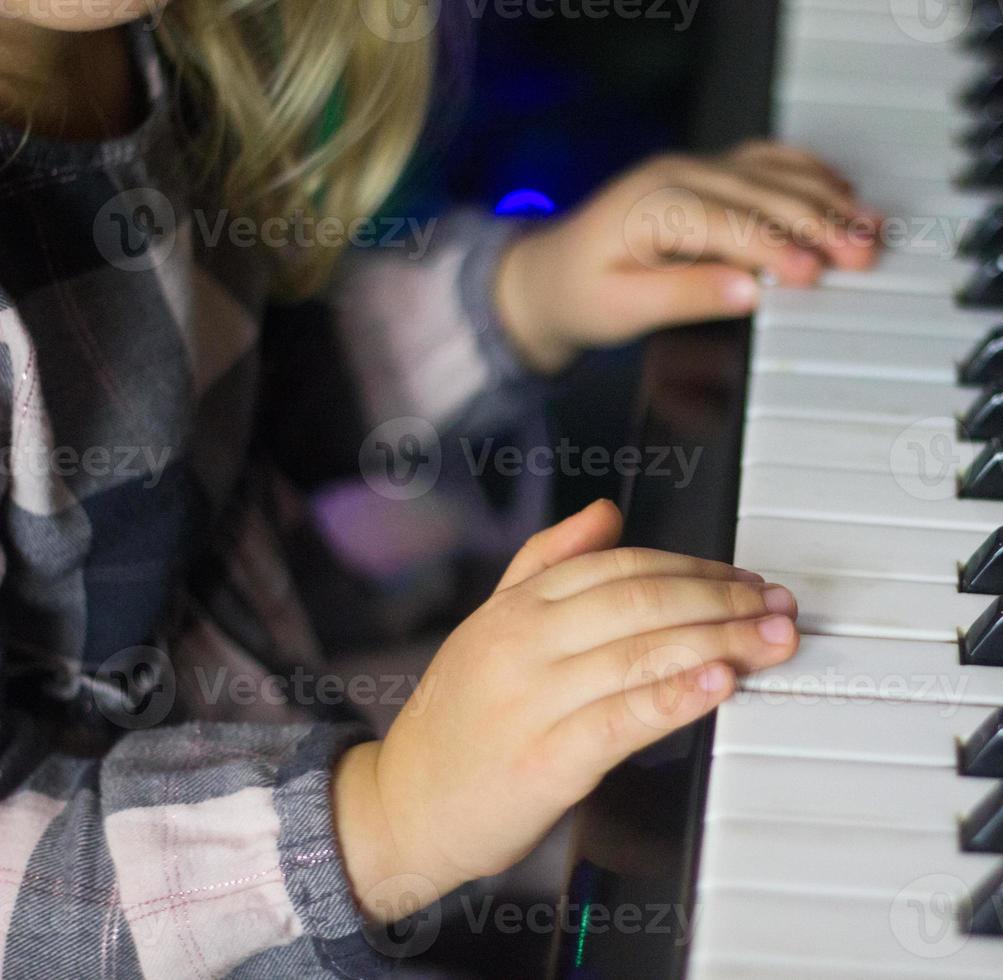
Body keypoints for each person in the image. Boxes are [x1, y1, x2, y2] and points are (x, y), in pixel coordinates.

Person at [0, 2, 877, 974]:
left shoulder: (142, 43)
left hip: (315, 737)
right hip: (234, 900)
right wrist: (385, 820)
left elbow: (230, 390)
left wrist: (529, 292)